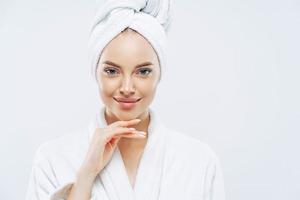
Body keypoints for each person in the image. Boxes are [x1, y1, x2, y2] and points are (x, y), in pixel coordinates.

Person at [25, 0, 226, 199]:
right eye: (112, 71)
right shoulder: (52, 159)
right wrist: (85, 177)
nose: (127, 88)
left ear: (160, 74)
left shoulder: (199, 161)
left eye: (143, 71)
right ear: (96, 72)